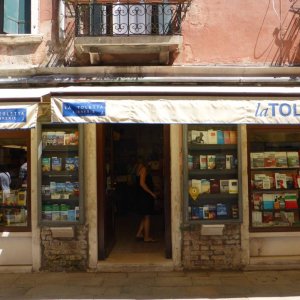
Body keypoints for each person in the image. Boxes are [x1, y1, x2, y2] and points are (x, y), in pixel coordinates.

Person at [135, 157, 157, 242]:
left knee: (144, 216)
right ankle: (146, 237)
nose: (151, 164)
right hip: (145, 196)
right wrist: (151, 193)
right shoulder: (144, 169)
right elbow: (142, 183)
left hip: (141, 196)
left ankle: (139, 233)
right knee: (147, 216)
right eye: (150, 162)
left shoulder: (138, 168)